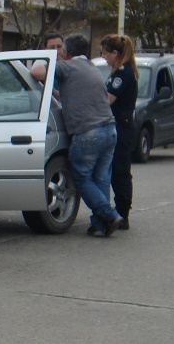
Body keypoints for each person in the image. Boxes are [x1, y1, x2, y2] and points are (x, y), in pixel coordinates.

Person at [32, 33, 122, 237]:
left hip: (88, 132)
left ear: (65, 52)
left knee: (81, 178)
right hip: (110, 129)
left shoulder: (67, 66)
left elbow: (37, 72)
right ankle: (100, 225)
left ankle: (109, 214)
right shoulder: (92, 68)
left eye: (60, 49)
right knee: (101, 178)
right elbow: (73, 94)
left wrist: (46, 59)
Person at [100, 34, 139, 230]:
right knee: (116, 170)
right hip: (120, 125)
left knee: (120, 171)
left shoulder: (122, 74)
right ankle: (120, 210)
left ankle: (123, 213)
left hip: (122, 127)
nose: (104, 57)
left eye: (105, 53)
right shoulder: (121, 71)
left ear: (115, 53)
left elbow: (107, 100)